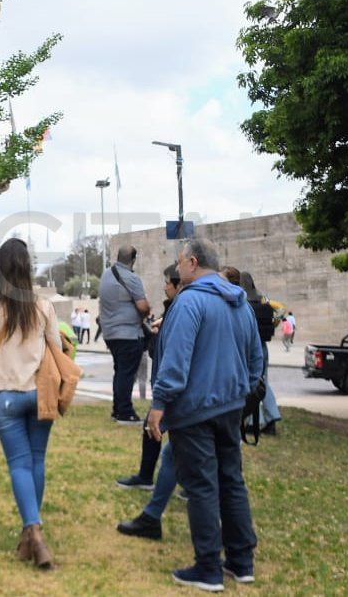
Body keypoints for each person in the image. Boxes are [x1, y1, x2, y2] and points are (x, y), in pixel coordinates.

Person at [147, 238, 263, 591]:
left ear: (193, 262)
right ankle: (241, 562)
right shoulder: (239, 303)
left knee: (201, 486)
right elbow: (256, 359)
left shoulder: (189, 302)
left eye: (180, 261)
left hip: (194, 410)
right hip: (230, 407)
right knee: (231, 481)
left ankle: (208, 567)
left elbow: (175, 361)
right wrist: (242, 392)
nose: (177, 267)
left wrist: (159, 404)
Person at [0, 238, 62, 569]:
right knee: (37, 461)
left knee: (20, 464)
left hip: (5, 395)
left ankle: (33, 533)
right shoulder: (43, 306)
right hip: (41, 392)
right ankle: (30, 535)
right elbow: (57, 347)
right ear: (28, 268)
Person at [116, 263, 182, 540]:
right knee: (173, 453)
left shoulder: (183, 308)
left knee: (174, 451)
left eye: (168, 282)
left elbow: (175, 359)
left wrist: (161, 400)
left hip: (179, 396)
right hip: (184, 396)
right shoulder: (177, 309)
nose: (165, 287)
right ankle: (153, 512)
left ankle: (153, 511)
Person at [99, 246, 150, 424]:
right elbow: (143, 306)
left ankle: (117, 409)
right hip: (128, 334)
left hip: (110, 333)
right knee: (127, 374)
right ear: (133, 260)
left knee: (120, 372)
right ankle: (125, 412)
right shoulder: (132, 278)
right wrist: (147, 311)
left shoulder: (106, 275)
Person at [240, 271, 281, 434]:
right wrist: (275, 323)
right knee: (263, 382)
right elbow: (281, 310)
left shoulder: (242, 301)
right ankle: (272, 416)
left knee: (251, 383)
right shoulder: (262, 299)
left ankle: (253, 422)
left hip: (248, 347)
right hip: (263, 346)